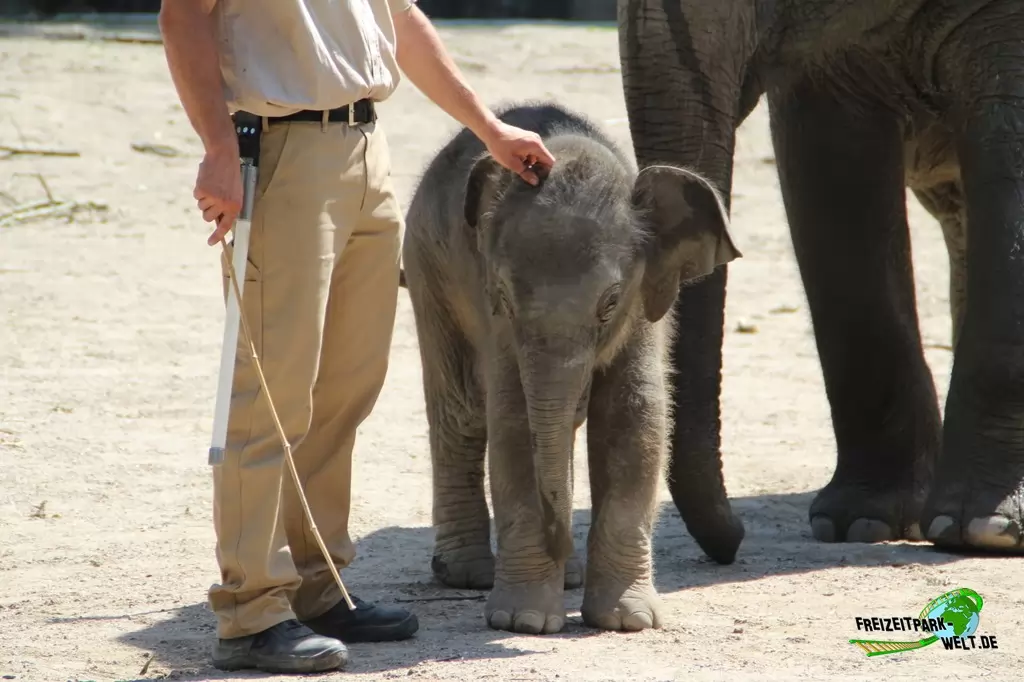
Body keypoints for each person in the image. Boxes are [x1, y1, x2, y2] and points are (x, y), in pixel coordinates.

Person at [157, 0, 556, 674]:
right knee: (270, 392)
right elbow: (182, 15)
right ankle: (251, 610)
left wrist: (487, 128)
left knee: (348, 383)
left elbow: (400, 21)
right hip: (279, 153)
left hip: (367, 153)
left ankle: (317, 585)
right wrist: (218, 149)